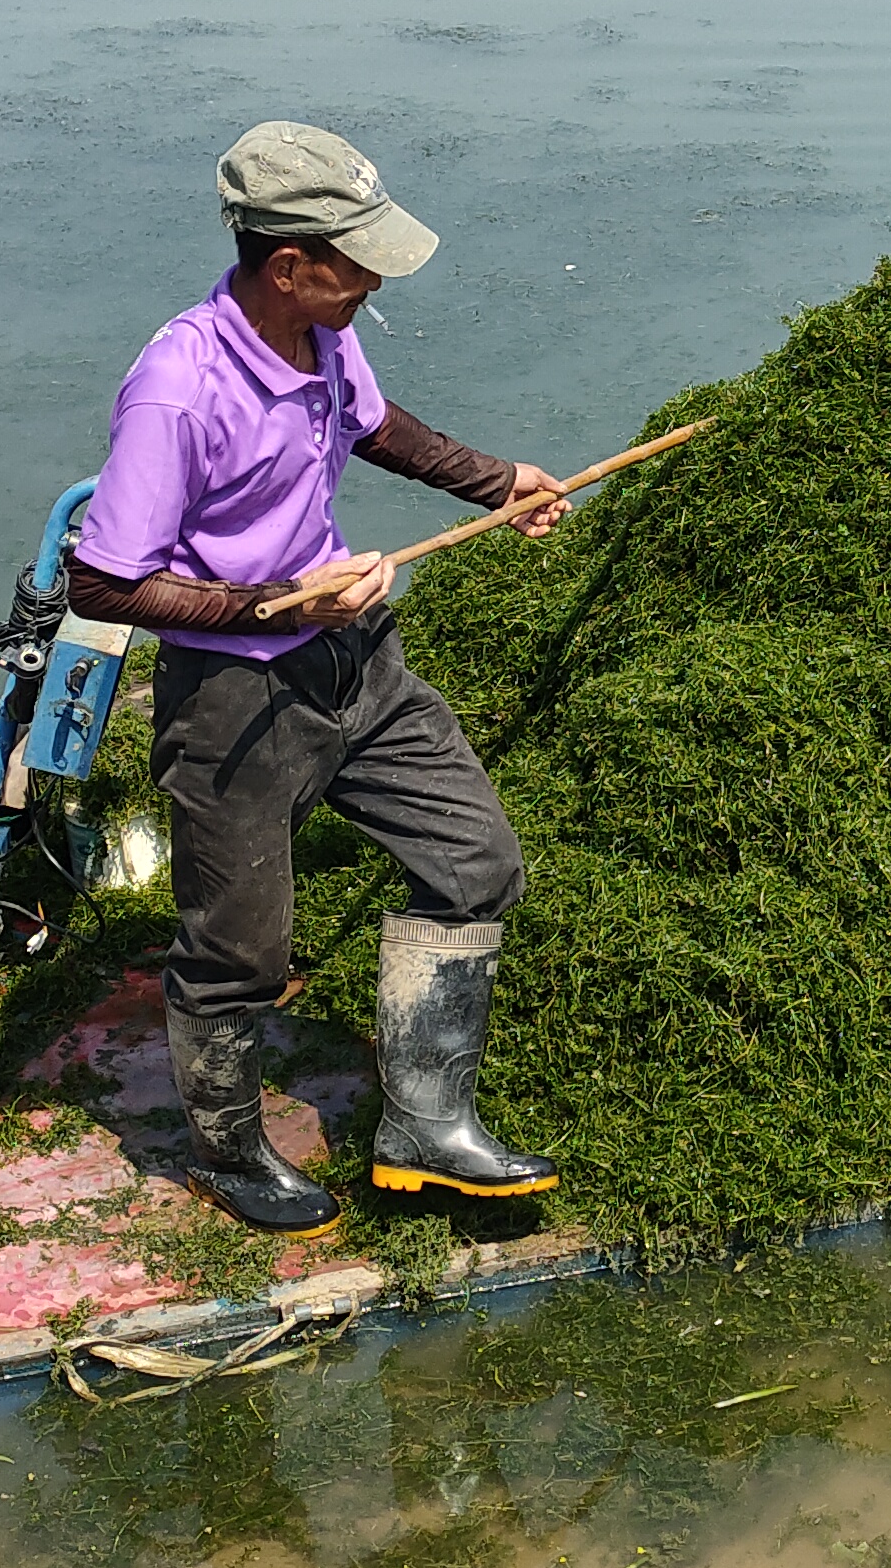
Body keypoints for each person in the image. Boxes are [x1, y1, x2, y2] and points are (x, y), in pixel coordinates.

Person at [61, 121, 569, 1234]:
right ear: (289, 264)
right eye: (357, 261)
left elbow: (377, 427)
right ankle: (228, 1153)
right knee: (240, 949)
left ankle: (426, 1130)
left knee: (474, 863)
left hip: (359, 666)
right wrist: (274, 602)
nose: (374, 281)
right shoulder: (179, 389)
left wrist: (500, 484)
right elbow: (101, 583)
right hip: (236, 693)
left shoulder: (323, 333)